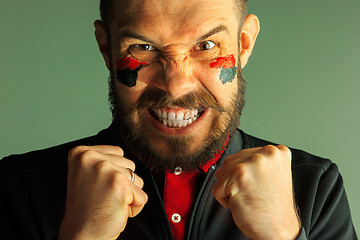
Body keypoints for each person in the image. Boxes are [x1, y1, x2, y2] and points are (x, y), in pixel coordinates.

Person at [0, 0, 357, 239]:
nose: (175, 84)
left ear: (244, 43)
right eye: (143, 47)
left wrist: (284, 234)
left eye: (206, 47)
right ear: (105, 47)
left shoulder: (313, 188)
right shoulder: (19, 187)